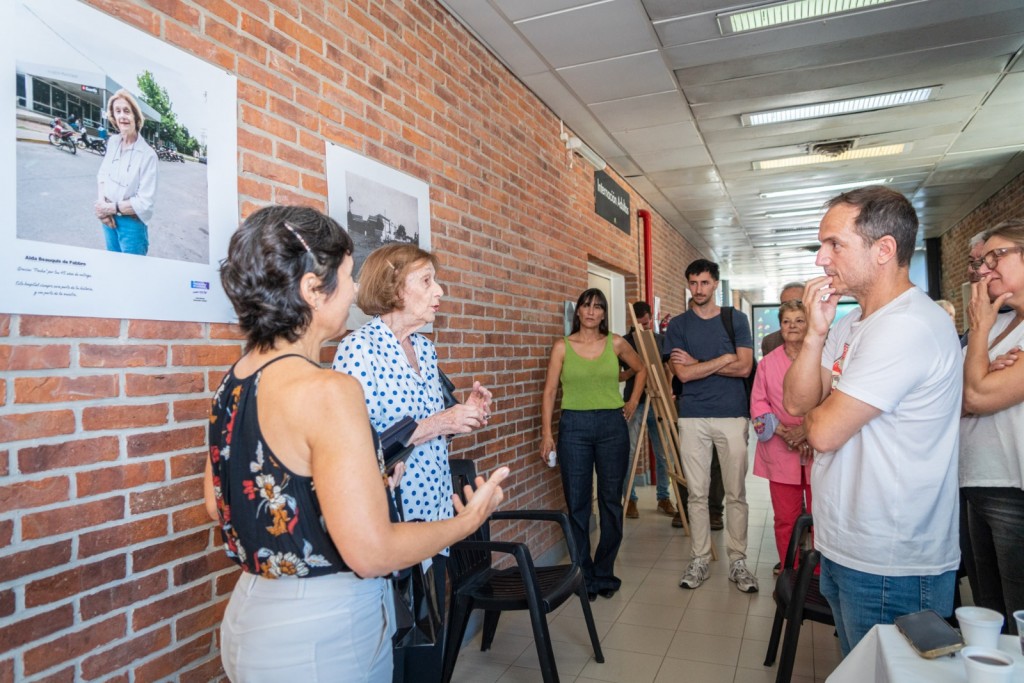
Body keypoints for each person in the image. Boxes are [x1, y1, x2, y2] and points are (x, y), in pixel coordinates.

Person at [205, 205, 508, 682]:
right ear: (311, 290)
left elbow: (218, 501)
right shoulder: (329, 389)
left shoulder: (234, 383)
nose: (353, 292)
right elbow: (372, 552)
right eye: (346, 277)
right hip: (326, 630)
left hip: (254, 614)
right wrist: (469, 518)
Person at [782, 186, 962, 655]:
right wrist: (816, 333)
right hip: (846, 542)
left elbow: (820, 432)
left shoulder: (908, 325)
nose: (821, 260)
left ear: (884, 249)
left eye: (834, 244)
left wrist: (827, 408)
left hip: (892, 558)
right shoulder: (850, 323)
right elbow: (799, 403)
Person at [332, 242, 493, 682]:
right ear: (393, 288)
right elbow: (355, 448)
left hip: (433, 516)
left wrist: (468, 408)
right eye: (427, 281)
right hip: (389, 523)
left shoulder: (425, 349)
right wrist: (442, 420)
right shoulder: (358, 351)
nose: (439, 290)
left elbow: (435, 419)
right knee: (394, 651)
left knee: (425, 642)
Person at [541, 288, 646, 600]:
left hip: (612, 426)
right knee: (578, 504)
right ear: (579, 311)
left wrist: (632, 402)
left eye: (598, 307)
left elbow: (641, 370)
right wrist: (547, 433)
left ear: (603, 313)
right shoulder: (562, 346)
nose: (591, 312)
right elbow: (549, 392)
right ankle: (583, 575)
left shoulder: (615, 343)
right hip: (573, 427)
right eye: (586, 306)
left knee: (611, 502)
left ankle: (604, 573)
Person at [666, 259, 759, 593]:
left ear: (715, 284)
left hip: (732, 415)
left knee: (736, 492)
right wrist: (725, 359)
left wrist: (703, 363)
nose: (698, 289)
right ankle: (700, 559)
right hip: (692, 417)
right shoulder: (678, 325)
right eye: (693, 283)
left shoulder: (735, 319)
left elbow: (745, 367)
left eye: (704, 283)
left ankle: (738, 561)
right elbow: (683, 375)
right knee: (697, 494)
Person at [960, 218, 1024, 636]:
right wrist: (980, 364)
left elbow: (975, 397)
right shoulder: (1003, 324)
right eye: (982, 262)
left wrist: (979, 334)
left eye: (996, 256)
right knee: (988, 614)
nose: (984, 270)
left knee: (1018, 612)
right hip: (974, 480)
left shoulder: (989, 325)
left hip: (1014, 488)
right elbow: (956, 394)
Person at [750, 300, 813, 577]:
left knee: (821, 517)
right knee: (785, 518)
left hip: (816, 445)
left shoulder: (821, 358)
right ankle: (791, 568)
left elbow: (833, 397)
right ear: (780, 326)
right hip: (780, 445)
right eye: (787, 321)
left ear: (809, 323)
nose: (793, 327)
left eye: (799, 320)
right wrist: (784, 432)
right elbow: (758, 403)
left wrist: (808, 430)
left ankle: (821, 572)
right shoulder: (767, 364)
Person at [620, 301, 676, 520]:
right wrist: (634, 371)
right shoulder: (625, 342)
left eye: (647, 323)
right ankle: (630, 499)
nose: (645, 328)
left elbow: (667, 368)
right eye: (640, 324)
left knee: (664, 453)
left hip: (658, 401)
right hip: (634, 402)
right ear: (633, 320)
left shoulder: (660, 340)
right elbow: (618, 374)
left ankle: (664, 497)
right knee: (630, 453)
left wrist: (669, 390)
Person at [94, 89, 158, 255]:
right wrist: (102, 207)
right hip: (108, 220)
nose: (122, 116)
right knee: (113, 265)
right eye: (118, 111)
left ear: (136, 117)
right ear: (113, 117)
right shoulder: (113, 142)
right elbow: (102, 175)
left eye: (126, 111)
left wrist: (110, 208)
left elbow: (144, 203)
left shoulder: (148, 154)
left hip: (131, 225)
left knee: (133, 273)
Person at [760, 282, 805, 357]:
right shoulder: (770, 342)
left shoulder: (827, 338)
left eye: (798, 304)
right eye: (785, 305)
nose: (791, 309)